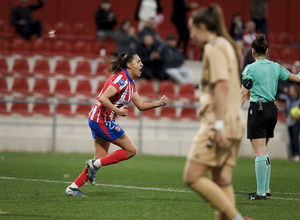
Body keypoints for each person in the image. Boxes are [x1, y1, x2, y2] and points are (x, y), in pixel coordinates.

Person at [65, 53, 168, 197]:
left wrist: (158, 103)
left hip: (99, 120)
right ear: (129, 65)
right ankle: (93, 166)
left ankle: (73, 188)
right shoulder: (121, 79)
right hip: (101, 121)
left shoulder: (130, 83)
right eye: (138, 61)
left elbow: (141, 105)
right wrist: (117, 110)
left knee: (100, 158)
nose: (142, 64)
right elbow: (103, 98)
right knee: (131, 150)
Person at [183, 4, 252, 220]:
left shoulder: (214, 47)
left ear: (201, 26)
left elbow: (221, 85)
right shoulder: (226, 45)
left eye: (192, 29)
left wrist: (219, 125)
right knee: (222, 180)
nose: (191, 34)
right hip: (234, 122)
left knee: (192, 176)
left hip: (218, 123)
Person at [240, 34, 300, 200]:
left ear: (252, 50)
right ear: (267, 51)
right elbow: (297, 78)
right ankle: (265, 189)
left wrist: (234, 113)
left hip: (257, 109)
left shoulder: (250, 69)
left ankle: (260, 193)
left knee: (258, 152)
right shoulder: (276, 67)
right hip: (272, 110)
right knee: (263, 150)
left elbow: (243, 92)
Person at [278, 84, 300, 162]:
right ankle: (292, 154)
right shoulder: (288, 98)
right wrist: (285, 112)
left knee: (295, 138)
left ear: (296, 91)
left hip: (296, 121)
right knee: (291, 138)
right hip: (289, 121)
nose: (290, 92)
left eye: (292, 90)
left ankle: (296, 154)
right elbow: (278, 95)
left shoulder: (298, 100)